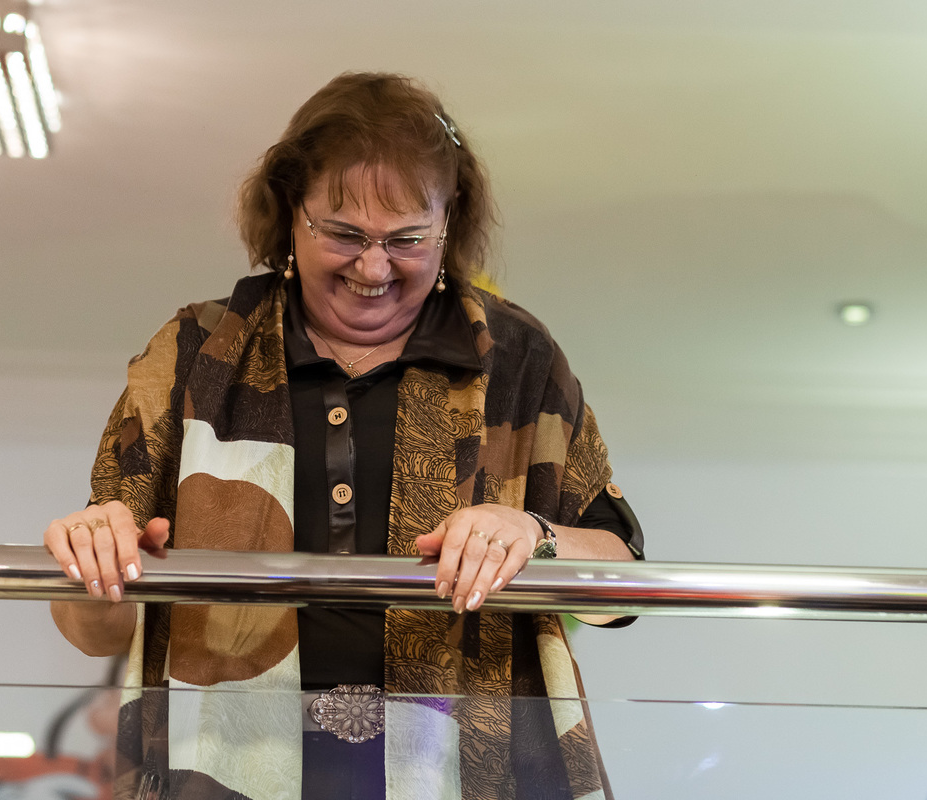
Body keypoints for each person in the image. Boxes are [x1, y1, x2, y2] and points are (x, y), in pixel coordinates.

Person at [44, 72, 645, 800]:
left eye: (407, 239)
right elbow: (95, 633)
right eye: (343, 234)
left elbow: (620, 589)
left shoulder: (516, 358)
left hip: (470, 775)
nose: (373, 266)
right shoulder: (197, 352)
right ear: (290, 211)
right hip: (225, 771)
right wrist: (94, 557)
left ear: (449, 222)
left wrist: (534, 534)